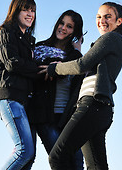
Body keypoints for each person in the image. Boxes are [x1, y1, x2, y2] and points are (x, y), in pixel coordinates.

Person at [39, 2, 122, 170]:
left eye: (108, 17)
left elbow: (81, 65)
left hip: (92, 106)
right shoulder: (111, 43)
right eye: (99, 17)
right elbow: (84, 66)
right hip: (100, 109)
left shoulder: (112, 38)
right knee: (96, 166)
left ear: (119, 22)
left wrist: (54, 68)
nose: (102, 20)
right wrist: (77, 52)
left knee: (57, 157)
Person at [27, 10, 85, 169]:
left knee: (78, 161)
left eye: (69, 26)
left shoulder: (75, 56)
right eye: (62, 23)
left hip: (67, 117)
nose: (63, 28)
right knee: (61, 162)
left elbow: (80, 76)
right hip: (46, 115)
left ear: (76, 32)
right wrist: (56, 68)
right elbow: (36, 73)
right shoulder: (40, 48)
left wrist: (77, 50)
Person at [0, 0, 39, 170]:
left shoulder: (28, 41)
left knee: (29, 157)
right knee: (24, 151)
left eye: (33, 10)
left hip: (23, 100)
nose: (30, 14)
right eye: (26, 9)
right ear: (15, 11)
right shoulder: (7, 32)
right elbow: (12, 63)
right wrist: (38, 68)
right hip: (9, 96)